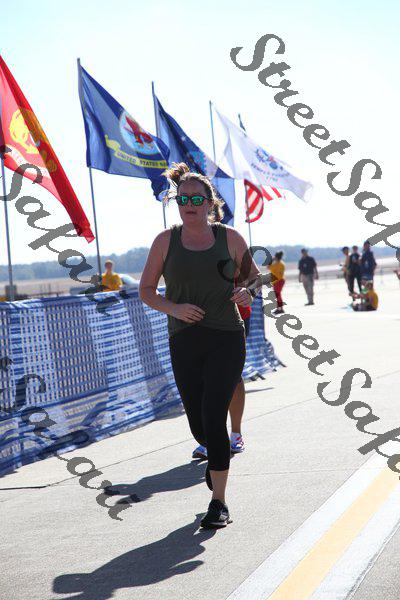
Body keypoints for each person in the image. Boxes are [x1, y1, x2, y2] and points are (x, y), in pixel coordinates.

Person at [139, 162, 260, 529]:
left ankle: (218, 501)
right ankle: (216, 456)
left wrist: (247, 291)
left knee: (213, 412)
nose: (188, 204)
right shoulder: (165, 241)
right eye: (182, 198)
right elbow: (146, 291)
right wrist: (174, 308)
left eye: (196, 199)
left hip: (226, 335)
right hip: (184, 339)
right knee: (199, 425)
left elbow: (256, 280)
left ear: (210, 202)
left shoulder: (230, 238)